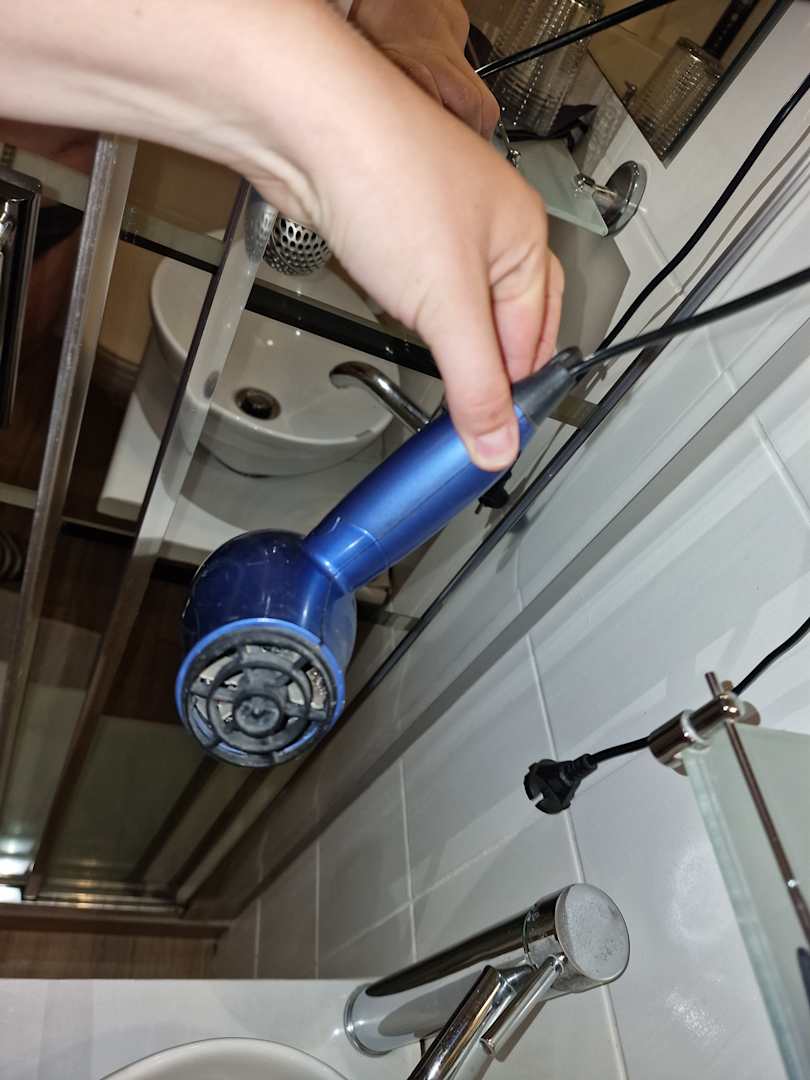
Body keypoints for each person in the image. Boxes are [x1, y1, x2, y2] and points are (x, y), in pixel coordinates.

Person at [2, 0, 563, 471]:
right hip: (25, 145)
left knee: (19, 354)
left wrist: (418, 44)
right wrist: (340, 110)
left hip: (67, 173)